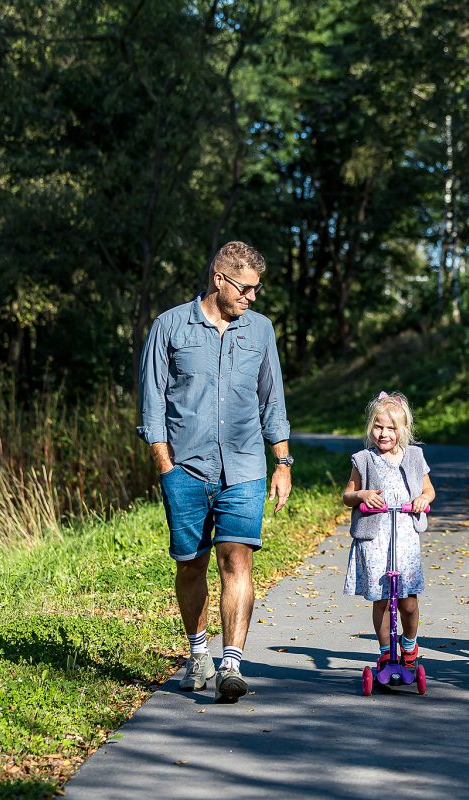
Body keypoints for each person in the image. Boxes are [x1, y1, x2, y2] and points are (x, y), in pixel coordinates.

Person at [137, 241, 292, 704]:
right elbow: (152, 402)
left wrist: (281, 461)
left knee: (236, 559)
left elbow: (273, 399)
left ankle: (231, 663)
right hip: (185, 467)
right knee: (191, 564)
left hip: (245, 466)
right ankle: (198, 652)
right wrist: (165, 466)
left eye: (256, 289)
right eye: (245, 287)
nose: (252, 296)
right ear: (219, 280)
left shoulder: (261, 331)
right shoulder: (169, 326)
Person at [342, 391, 436, 670]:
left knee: (408, 601)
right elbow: (347, 495)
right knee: (382, 599)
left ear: (403, 430)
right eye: (378, 426)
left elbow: (429, 490)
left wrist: (422, 499)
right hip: (375, 539)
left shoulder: (415, 457)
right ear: (370, 427)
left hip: (404, 537)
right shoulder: (363, 460)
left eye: (391, 428)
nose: (383, 434)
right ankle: (385, 651)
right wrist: (361, 495)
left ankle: (409, 644)